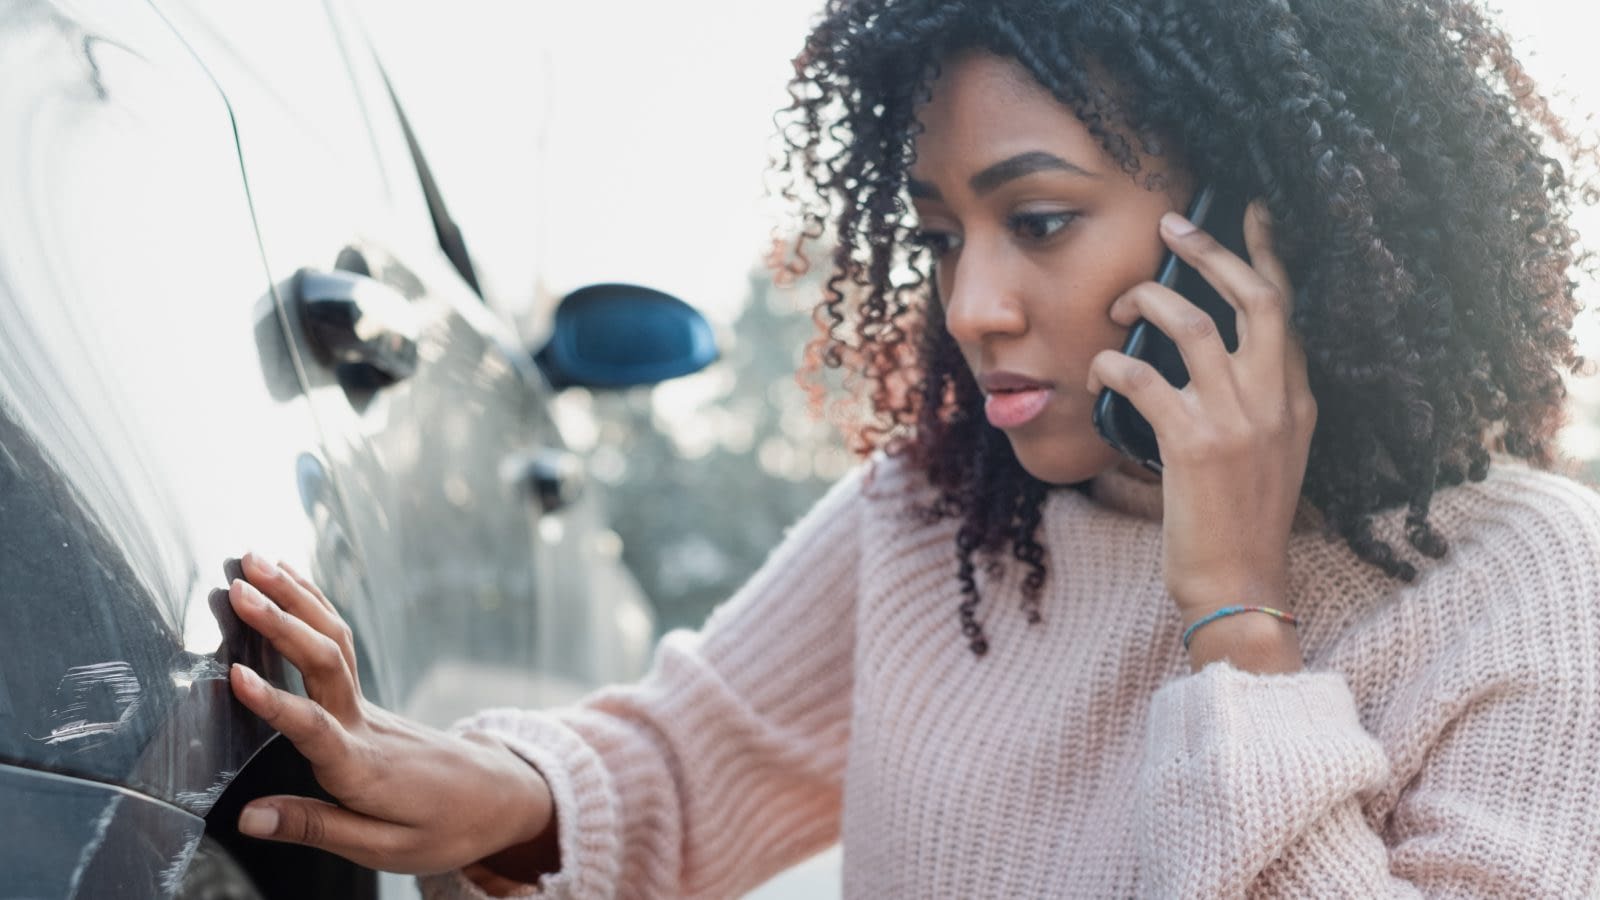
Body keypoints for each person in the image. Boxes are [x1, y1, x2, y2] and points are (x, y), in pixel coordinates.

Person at [223, 0, 1600, 895]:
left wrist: (1238, 623)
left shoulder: (1518, 578)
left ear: (1267, 225)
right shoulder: (943, 512)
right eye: (942, 236)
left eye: (1041, 222)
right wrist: (466, 785)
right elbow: (690, 766)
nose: (972, 305)